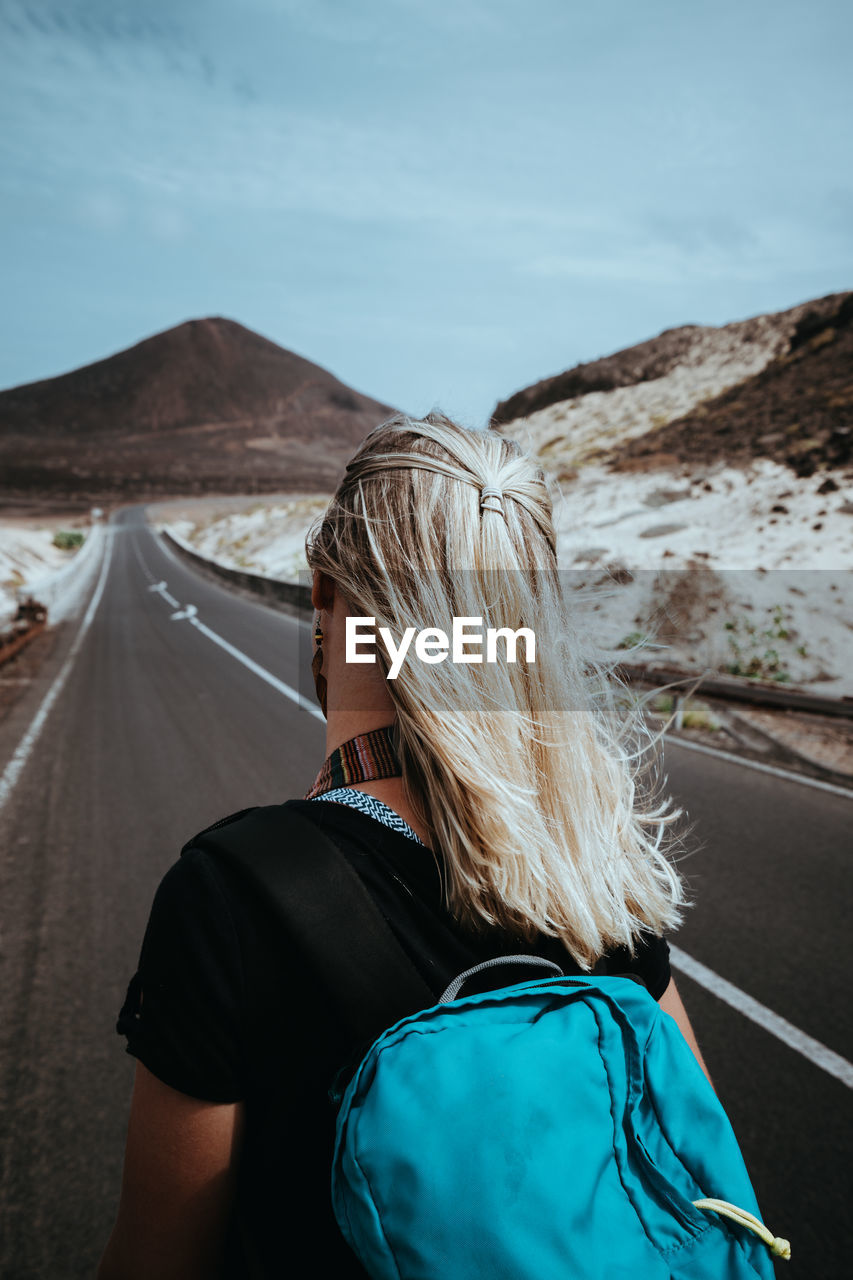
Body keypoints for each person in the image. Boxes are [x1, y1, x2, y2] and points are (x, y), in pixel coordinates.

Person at [97, 412, 708, 1280]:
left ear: (322, 592)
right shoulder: (595, 872)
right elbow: (699, 1177)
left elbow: (156, 1263)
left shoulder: (231, 895)